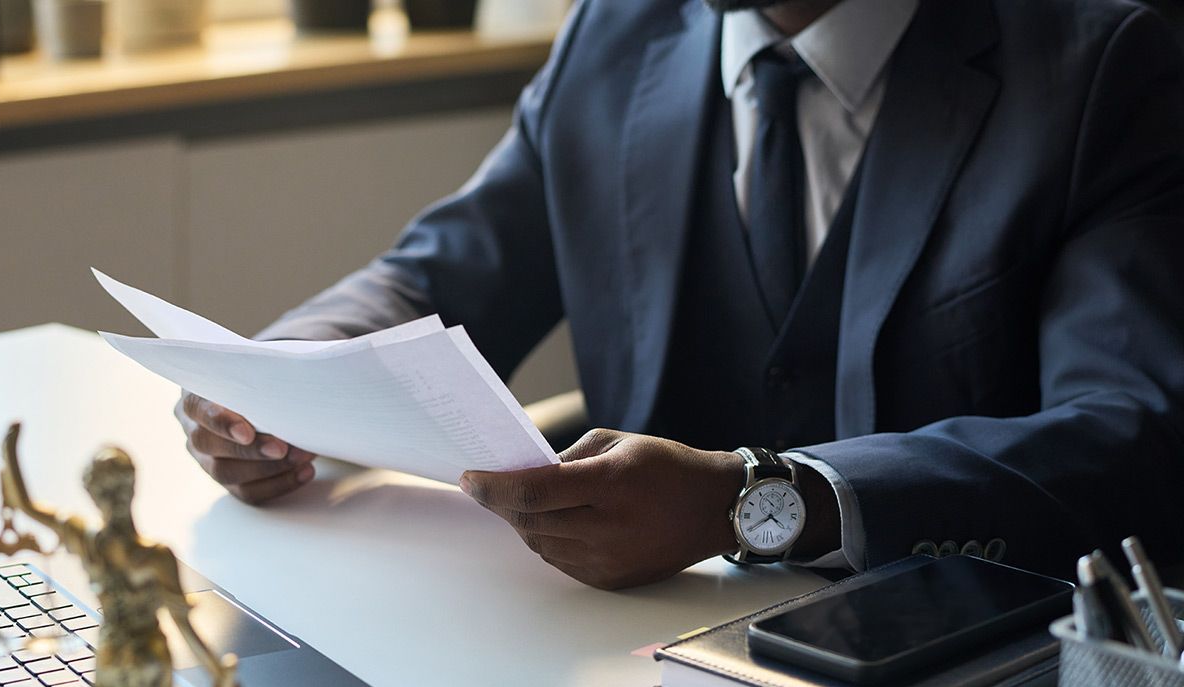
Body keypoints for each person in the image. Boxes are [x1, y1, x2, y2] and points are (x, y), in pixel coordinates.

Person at [176, 0, 1184, 589]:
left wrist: (754, 503)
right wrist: (276, 377)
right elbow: (439, 273)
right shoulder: (618, 36)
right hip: (636, 676)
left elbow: (1128, 435)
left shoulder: (1099, 67)